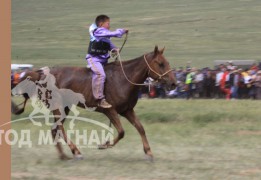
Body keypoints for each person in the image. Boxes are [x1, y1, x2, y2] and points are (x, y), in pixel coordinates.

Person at [86, 15, 128, 108]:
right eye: (108, 23)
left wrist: (114, 49)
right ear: (101, 24)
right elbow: (113, 34)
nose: (109, 26)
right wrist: (122, 31)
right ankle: (99, 99)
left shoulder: (105, 36)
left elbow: (109, 44)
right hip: (94, 59)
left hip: (104, 61)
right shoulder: (98, 31)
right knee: (101, 75)